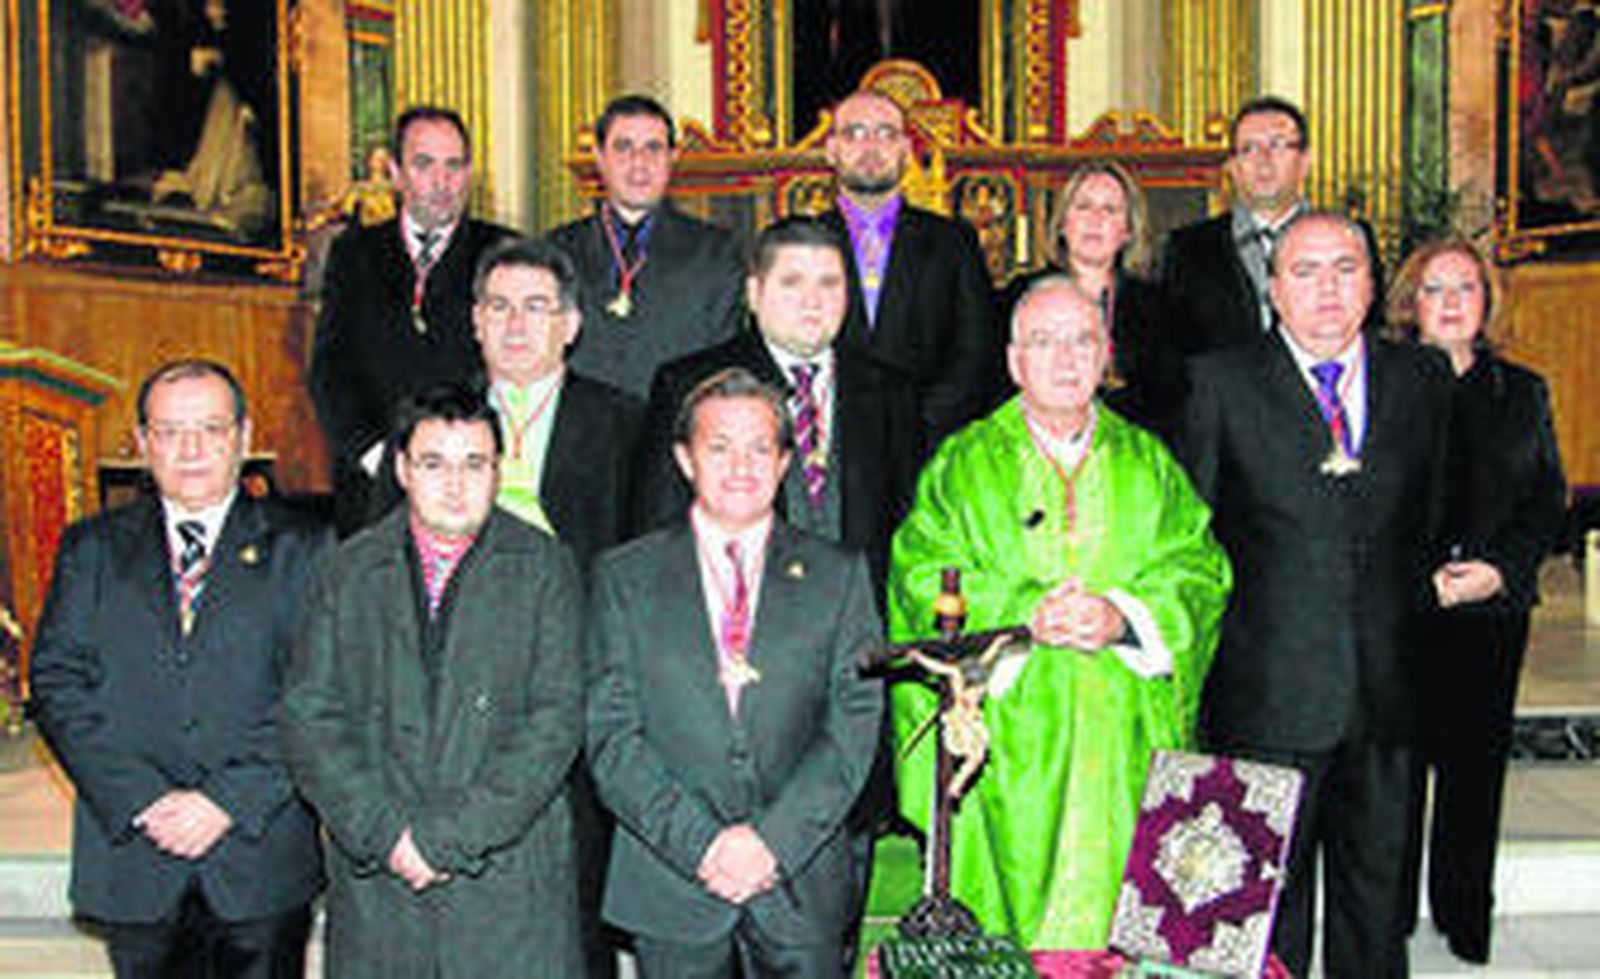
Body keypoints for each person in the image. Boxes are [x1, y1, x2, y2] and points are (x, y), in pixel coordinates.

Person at [886, 277, 1232, 948]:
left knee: (1125, 930)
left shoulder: (1149, 463)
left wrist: (1123, 615)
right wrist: (1021, 615)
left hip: (1126, 742)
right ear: (1014, 361)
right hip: (1010, 741)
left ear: (1107, 353)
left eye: (1083, 340)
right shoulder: (964, 464)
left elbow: (1199, 573)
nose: (1067, 358)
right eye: (1044, 342)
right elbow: (920, 575)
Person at [1177, 213, 1453, 979]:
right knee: (1268, 923)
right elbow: (1196, 547)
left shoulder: (1421, 380)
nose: (1327, 288)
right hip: (1267, 699)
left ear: (1372, 281)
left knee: (1376, 917)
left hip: (1389, 695)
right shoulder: (1219, 384)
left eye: (1345, 267)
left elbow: (1430, 517)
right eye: (1305, 271)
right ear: (1272, 287)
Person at [30, 359, 327, 978]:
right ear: (141, 443)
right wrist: (145, 799)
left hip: (257, 853)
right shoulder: (92, 548)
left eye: (211, 430)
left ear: (244, 438)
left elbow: (320, 693)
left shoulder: (306, 548)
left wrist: (225, 801)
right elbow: (58, 685)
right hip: (137, 857)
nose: (191, 449)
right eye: (169, 431)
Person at [587, 368, 884, 977]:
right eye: (719, 447)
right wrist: (703, 846)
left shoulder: (839, 576)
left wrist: (772, 842)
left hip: (798, 883)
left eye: (759, 448)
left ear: (783, 463)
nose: (741, 466)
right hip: (672, 882)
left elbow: (854, 727)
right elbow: (611, 735)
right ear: (684, 459)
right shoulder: (624, 577)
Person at [282, 385, 584, 977]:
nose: (455, 484)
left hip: (507, 883)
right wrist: (387, 833)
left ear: (498, 472)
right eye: (434, 463)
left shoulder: (546, 568)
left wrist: (447, 840)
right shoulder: (345, 571)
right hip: (380, 885)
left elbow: (555, 721)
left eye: (474, 464)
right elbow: (310, 717)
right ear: (401, 469)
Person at [1387, 238, 1567, 964]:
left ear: (1487, 299)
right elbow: (1371, 505)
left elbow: (1546, 497)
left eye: (1466, 286)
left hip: (1491, 610)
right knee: (1397, 769)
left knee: (1474, 766)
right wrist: (1416, 576)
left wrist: (1500, 568)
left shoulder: (1522, 390)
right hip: (1407, 607)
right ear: (1411, 305)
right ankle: (1388, 916)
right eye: (1435, 288)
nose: (1453, 300)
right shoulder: (1385, 386)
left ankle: (1466, 916)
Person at [471, 236, 639, 978]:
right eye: (499, 306)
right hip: (459, 707)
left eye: (536, 307)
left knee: (576, 920)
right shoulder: (427, 421)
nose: (516, 324)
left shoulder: (626, 423)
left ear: (571, 322)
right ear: (475, 320)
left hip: (580, 697)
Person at [634, 216, 922, 592]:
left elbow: (908, 531)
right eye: (792, 282)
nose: (813, 301)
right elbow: (657, 531)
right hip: (735, 623)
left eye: (829, 283)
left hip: (860, 627)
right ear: (754, 293)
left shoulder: (891, 391)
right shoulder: (688, 385)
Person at [309, 104, 514, 535]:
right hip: (374, 489)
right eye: (424, 164)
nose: (442, 182)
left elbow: (519, 369)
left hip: (471, 485)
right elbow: (330, 371)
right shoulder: (354, 254)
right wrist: (380, 459)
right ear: (396, 172)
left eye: (454, 165)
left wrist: (472, 460)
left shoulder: (501, 253)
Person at [821, 89, 999, 447]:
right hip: (829, 450)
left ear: (905, 149)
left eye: (886, 134)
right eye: (854, 133)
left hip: (930, 446)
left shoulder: (955, 243)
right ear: (831, 150)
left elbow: (977, 350)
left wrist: (918, 426)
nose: (871, 146)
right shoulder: (802, 242)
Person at [546, 94, 745, 399]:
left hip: (674, 430)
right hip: (584, 433)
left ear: (672, 157)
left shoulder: (716, 252)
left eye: (653, 148)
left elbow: (723, 369)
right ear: (599, 157)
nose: (639, 162)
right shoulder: (556, 251)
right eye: (624, 147)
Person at [1162, 96, 1384, 356]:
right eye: (1249, 149)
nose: (1263, 160)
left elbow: (1371, 335)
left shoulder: (1350, 239)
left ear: (1305, 161)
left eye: (1277, 146)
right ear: (1232, 167)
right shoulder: (1188, 248)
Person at [999, 162, 1182, 436]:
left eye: (1110, 209)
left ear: (1128, 231)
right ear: (1062, 223)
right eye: (1083, 206)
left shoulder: (1157, 307)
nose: (1095, 220)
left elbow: (1170, 399)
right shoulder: (1021, 296)